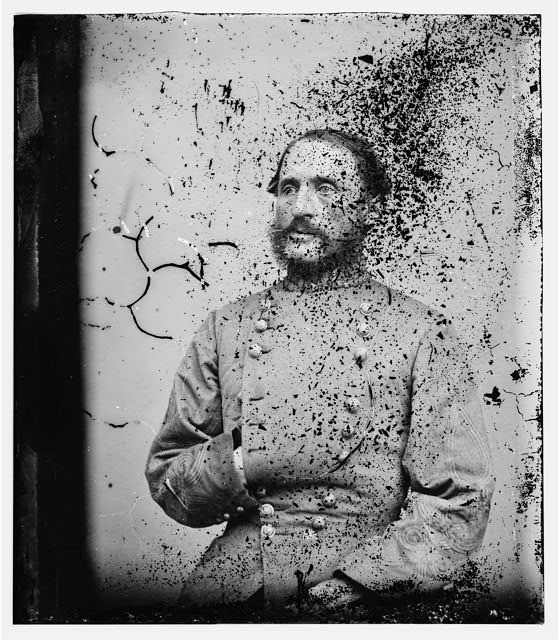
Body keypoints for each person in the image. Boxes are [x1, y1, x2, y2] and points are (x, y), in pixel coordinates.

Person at [145, 129, 495, 615]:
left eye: (326, 188)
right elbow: (168, 478)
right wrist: (243, 458)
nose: (301, 207)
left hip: (364, 592)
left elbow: (460, 503)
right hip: (231, 591)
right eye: (289, 188)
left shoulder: (422, 332)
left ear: (369, 209)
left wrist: (358, 589)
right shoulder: (226, 326)